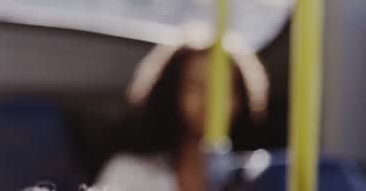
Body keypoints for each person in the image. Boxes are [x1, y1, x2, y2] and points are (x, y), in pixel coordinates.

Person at [96, 35, 270, 191]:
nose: (209, 100)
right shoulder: (129, 174)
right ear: (172, 92)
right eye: (196, 87)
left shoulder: (256, 176)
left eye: (224, 89)